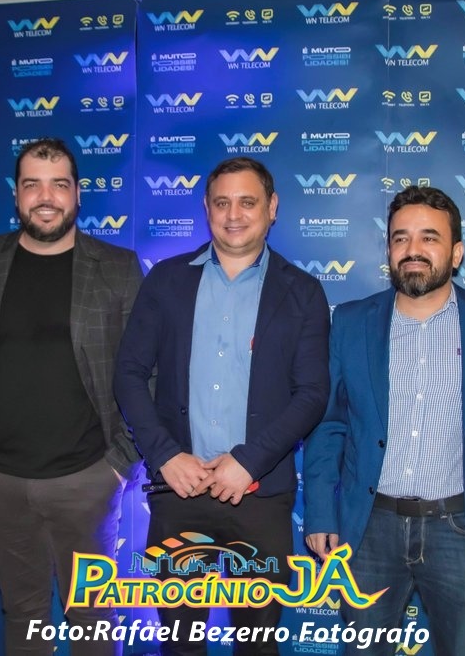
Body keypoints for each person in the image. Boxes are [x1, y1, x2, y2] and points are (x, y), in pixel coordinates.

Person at [114, 156, 330, 656]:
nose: (234, 215)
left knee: (257, 644)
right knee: (180, 643)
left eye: (247, 202)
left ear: (272, 208)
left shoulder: (302, 292)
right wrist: (165, 455)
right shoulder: (166, 280)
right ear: (207, 209)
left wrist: (248, 461)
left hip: (259, 494)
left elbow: (312, 394)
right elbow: (128, 374)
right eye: (221, 203)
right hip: (178, 490)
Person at [0, 137, 142, 656]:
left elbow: (145, 372)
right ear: (16, 194)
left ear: (78, 193)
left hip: (87, 479)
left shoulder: (117, 267)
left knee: (92, 617)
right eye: (33, 184)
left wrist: (119, 464)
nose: (45, 197)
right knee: (23, 613)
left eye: (58, 185)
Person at [303, 186, 465, 655]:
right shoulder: (351, 322)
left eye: (429, 237)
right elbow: (328, 425)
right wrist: (319, 512)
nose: (413, 249)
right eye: (400, 238)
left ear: (456, 253)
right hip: (369, 531)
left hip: (462, 530)